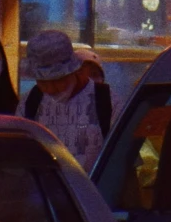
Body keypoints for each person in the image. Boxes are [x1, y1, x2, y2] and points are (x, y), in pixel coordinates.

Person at [21, 27, 112, 170]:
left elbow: (124, 168)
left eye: (57, 79)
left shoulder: (108, 102)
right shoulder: (29, 103)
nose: (50, 89)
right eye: (43, 81)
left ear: (75, 69)